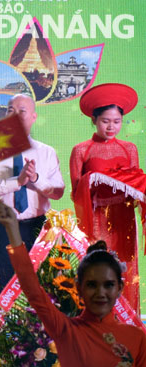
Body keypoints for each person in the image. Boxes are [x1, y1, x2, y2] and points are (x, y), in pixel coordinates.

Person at [0, 199, 146, 367]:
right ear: (78, 287)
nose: (100, 292)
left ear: (119, 289)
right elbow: (33, 291)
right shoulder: (67, 331)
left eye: (108, 285)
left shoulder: (137, 338)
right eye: (91, 285)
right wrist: (13, 230)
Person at [0, 93, 65, 321]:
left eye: (21, 111)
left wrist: (35, 180)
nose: (14, 115)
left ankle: (36, 350)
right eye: (9, 110)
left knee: (37, 289)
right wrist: (18, 182)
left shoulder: (46, 152)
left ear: (33, 117)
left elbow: (58, 190)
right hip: (2, 228)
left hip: (36, 229)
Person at [70, 83, 141, 314]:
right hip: (97, 219)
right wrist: (92, 180)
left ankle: (128, 321)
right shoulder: (82, 150)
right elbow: (75, 192)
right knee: (98, 266)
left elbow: (136, 183)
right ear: (94, 120)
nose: (111, 126)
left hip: (123, 218)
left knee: (126, 269)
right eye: (105, 121)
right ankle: (95, 324)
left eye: (116, 121)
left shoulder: (129, 149)